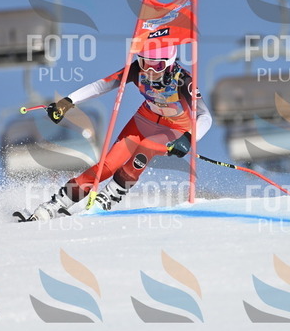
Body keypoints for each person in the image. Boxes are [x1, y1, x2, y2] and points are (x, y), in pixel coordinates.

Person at [25, 45, 212, 221]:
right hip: (143, 120)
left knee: (145, 148)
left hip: (173, 129)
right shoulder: (136, 70)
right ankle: (57, 203)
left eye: (157, 66)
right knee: (106, 166)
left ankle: (107, 197)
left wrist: (189, 138)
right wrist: (68, 101)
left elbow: (205, 116)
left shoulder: (184, 81)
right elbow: (102, 85)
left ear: (170, 64)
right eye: (145, 63)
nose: (150, 71)